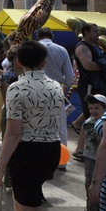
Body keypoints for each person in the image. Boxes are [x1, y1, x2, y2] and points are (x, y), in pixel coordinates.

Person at [0, 40, 64, 211]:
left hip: (26, 150)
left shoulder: (17, 88)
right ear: (44, 62)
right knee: (21, 205)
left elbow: (14, 133)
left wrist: (0, 166)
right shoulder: (57, 86)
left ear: (19, 61)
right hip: (51, 149)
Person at [35, 26, 75, 168]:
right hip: (56, 88)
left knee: (36, 123)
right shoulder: (61, 49)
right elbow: (70, 77)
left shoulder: (32, 48)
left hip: (35, 88)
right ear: (52, 36)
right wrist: (64, 85)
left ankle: (39, 158)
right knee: (60, 126)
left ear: (38, 36)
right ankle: (61, 161)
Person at [82, 94, 106, 211]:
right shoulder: (90, 123)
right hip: (91, 156)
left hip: (103, 158)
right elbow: (98, 139)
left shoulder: (104, 121)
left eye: (97, 108)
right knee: (91, 182)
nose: (93, 111)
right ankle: (92, 210)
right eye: (91, 108)